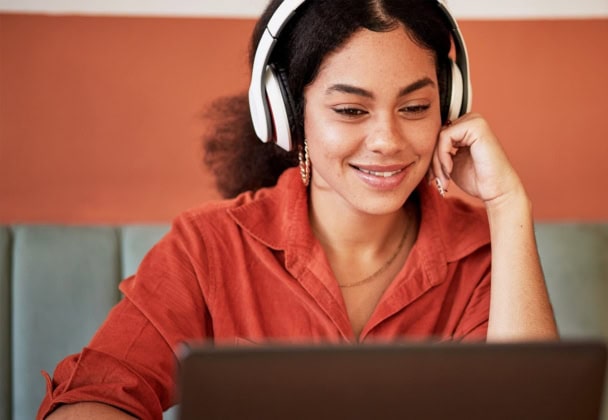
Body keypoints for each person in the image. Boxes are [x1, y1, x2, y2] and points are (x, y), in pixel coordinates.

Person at [39, 0, 558, 418]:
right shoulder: (208, 247)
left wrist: (508, 204)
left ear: (448, 107)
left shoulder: (482, 254)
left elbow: (535, 407)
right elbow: (98, 392)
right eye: (351, 110)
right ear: (288, 116)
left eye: (415, 108)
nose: (387, 140)